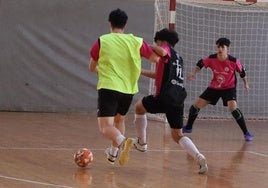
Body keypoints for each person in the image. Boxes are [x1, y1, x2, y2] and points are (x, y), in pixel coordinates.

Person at [133, 28, 208, 174]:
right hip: (178, 98)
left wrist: (142, 44)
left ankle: (141, 143)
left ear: (162, 42)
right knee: (177, 135)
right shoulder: (178, 58)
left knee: (139, 107)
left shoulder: (166, 50)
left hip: (165, 96)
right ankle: (199, 157)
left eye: (158, 42)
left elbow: (162, 52)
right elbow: (159, 75)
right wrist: (141, 72)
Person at [88, 8, 158, 165]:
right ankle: (113, 153)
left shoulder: (102, 40)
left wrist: (101, 70)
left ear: (110, 23)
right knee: (120, 120)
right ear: (125, 25)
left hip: (109, 87)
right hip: (128, 90)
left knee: (105, 127)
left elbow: (92, 66)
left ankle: (124, 141)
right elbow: (155, 59)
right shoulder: (136, 41)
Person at [183, 37, 253, 142]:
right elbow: (200, 63)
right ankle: (188, 127)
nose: (220, 49)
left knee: (233, 108)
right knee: (195, 106)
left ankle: (246, 132)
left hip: (229, 88)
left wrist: (246, 84)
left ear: (227, 49)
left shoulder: (233, 61)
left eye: (222, 47)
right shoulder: (212, 58)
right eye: (218, 47)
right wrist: (193, 73)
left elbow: (242, 73)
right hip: (215, 87)